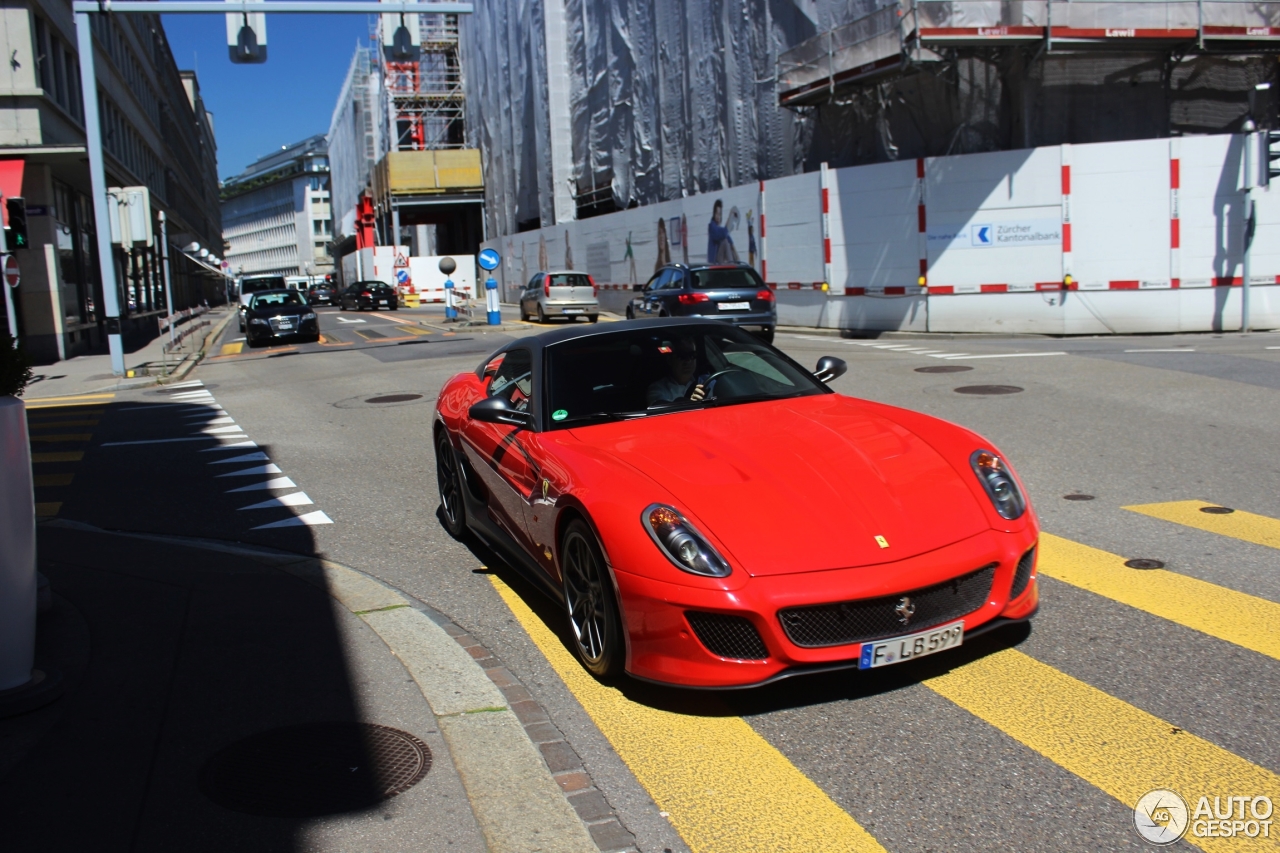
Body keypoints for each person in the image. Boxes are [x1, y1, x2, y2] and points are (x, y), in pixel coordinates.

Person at [647, 337, 708, 406]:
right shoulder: (658, 388)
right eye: (682, 355)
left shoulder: (708, 381)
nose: (688, 361)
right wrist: (689, 403)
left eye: (692, 355)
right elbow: (659, 408)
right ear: (669, 360)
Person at [707, 199, 736, 264]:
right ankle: (732, 266)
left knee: (727, 241)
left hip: (720, 258)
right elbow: (724, 233)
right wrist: (730, 215)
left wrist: (736, 253)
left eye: (719, 214)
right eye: (716, 214)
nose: (718, 216)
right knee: (725, 241)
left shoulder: (718, 228)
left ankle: (735, 263)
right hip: (714, 262)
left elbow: (728, 238)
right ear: (714, 214)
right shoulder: (711, 226)